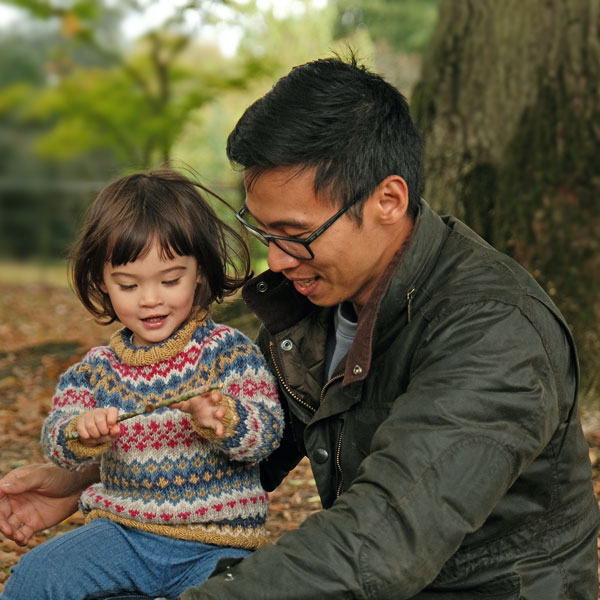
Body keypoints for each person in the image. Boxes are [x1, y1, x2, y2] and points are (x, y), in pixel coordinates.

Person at [1, 54, 598, 600]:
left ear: (387, 200)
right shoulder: (320, 303)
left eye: (296, 235)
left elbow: (381, 542)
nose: (277, 262)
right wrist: (82, 477)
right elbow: (253, 448)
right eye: (264, 234)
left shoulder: (495, 332)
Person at [0, 169, 283, 600]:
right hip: (122, 537)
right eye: (128, 285)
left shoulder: (229, 352)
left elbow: (267, 434)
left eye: (170, 281)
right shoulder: (97, 370)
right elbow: (58, 439)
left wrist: (226, 418)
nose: (151, 299)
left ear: (200, 273)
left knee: (247, 591)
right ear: (102, 284)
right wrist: (82, 431)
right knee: (37, 577)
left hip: (217, 543)